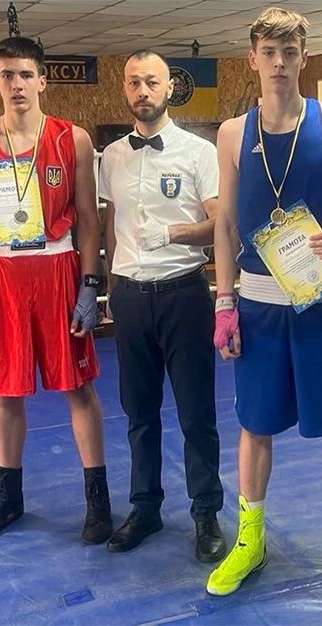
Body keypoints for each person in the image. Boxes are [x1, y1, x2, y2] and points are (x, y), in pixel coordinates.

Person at [206, 7, 322, 605]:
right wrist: (223, 301)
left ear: (304, 57)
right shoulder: (232, 133)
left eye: (289, 53)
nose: (279, 63)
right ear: (252, 59)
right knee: (255, 424)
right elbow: (225, 223)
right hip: (256, 303)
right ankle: (249, 540)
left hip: (319, 300)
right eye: (269, 53)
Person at [0, 36, 111, 545]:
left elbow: (89, 218)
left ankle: (98, 499)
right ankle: (9, 496)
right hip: (1, 269)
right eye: (7, 75)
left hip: (57, 265)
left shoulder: (71, 137)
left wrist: (90, 285)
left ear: (42, 80)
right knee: (6, 389)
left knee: (76, 387)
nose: (16, 84)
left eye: (25, 74)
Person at [98, 50, 226, 561]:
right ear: (125, 90)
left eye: (151, 82)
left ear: (169, 87)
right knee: (138, 412)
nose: (143, 91)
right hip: (130, 296)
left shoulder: (198, 152)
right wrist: (110, 286)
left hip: (182, 292)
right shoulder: (111, 155)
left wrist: (173, 232)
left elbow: (220, 224)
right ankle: (145, 507)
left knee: (196, 413)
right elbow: (111, 224)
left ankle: (206, 513)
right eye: (134, 83)